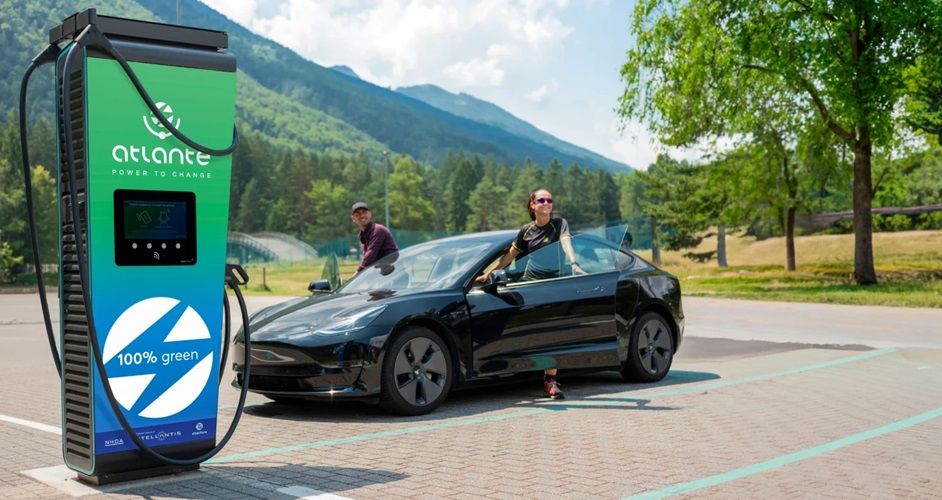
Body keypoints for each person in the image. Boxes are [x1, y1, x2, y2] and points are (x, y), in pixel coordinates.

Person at [476, 188, 583, 399]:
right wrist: (488, 274)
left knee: (551, 332)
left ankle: (550, 381)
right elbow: (509, 257)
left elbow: (566, 242)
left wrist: (574, 263)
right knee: (518, 328)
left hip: (552, 287)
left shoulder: (559, 224)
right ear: (532, 205)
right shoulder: (526, 230)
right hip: (529, 285)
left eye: (550, 199)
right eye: (542, 200)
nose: (547, 203)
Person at [351, 201, 398, 272]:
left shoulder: (378, 230)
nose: (362, 216)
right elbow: (367, 259)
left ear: (370, 214)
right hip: (382, 276)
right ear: (353, 218)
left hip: (395, 274)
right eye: (358, 214)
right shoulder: (362, 236)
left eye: (364, 212)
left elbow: (370, 254)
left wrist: (357, 273)